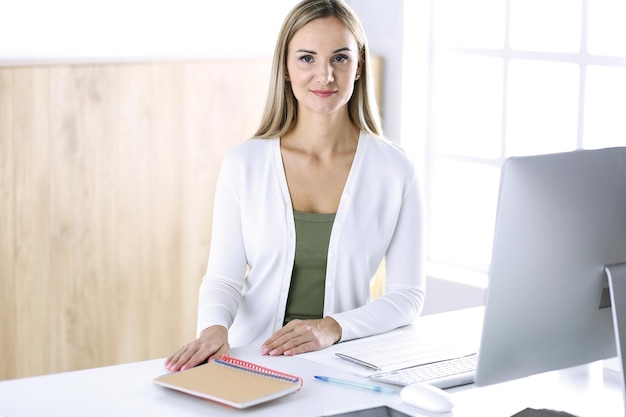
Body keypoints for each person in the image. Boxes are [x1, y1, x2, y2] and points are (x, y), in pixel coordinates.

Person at [165, 0, 425, 372]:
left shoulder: (396, 170)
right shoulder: (244, 164)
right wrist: (213, 329)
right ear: (285, 68)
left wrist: (333, 328)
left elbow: (407, 296)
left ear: (359, 64)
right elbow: (223, 278)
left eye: (340, 58)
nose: (325, 75)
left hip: (346, 364)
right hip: (252, 360)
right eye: (307, 58)